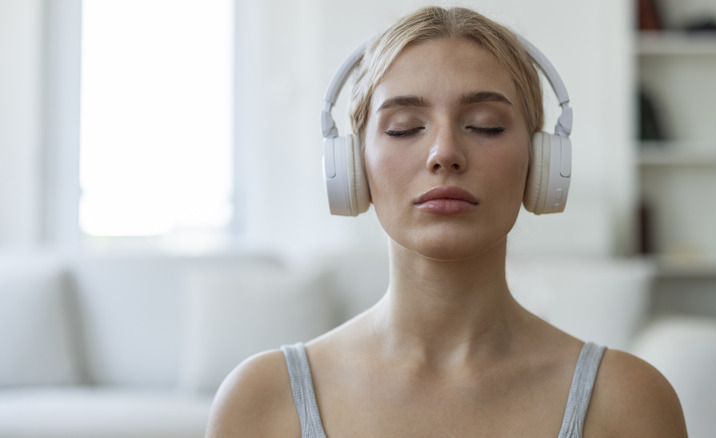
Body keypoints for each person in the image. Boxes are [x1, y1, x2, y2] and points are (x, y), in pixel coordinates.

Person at [206, 6, 687, 437]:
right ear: (352, 165)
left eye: (485, 125)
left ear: (542, 163)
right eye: (404, 128)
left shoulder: (628, 400)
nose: (445, 154)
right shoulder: (262, 401)